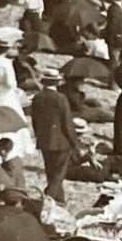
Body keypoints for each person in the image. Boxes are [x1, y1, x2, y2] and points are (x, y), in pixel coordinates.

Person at [29, 66, 81, 203]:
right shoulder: (60, 98)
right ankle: (49, 197)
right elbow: (67, 124)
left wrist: (38, 137)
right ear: (57, 82)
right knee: (59, 174)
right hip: (61, 141)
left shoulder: (37, 97)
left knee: (50, 172)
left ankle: (60, 200)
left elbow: (34, 121)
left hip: (45, 140)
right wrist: (75, 143)